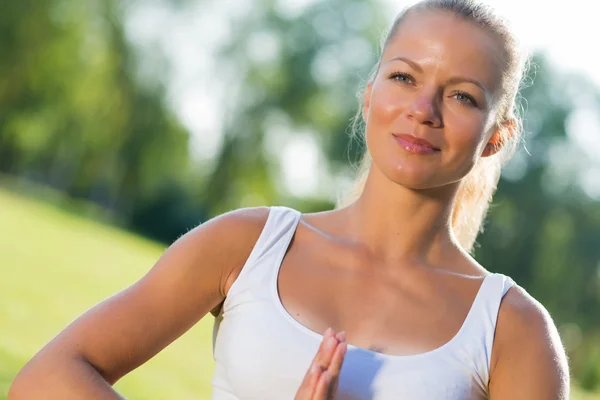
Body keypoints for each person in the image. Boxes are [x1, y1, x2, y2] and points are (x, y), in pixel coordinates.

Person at [9, 0, 570, 399]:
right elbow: (48, 378)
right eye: (403, 77)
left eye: (462, 95)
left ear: (497, 136)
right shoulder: (250, 245)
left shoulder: (512, 332)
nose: (424, 108)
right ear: (369, 93)